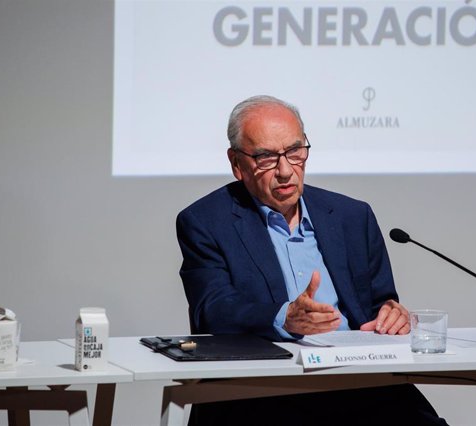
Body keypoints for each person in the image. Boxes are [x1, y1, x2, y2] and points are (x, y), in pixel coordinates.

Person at [176, 95, 448, 425]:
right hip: (264, 391)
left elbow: (381, 303)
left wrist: (393, 314)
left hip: (362, 384)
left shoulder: (352, 216)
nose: (285, 170)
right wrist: (284, 318)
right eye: (265, 157)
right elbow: (213, 310)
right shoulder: (206, 221)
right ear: (237, 164)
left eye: (295, 151)